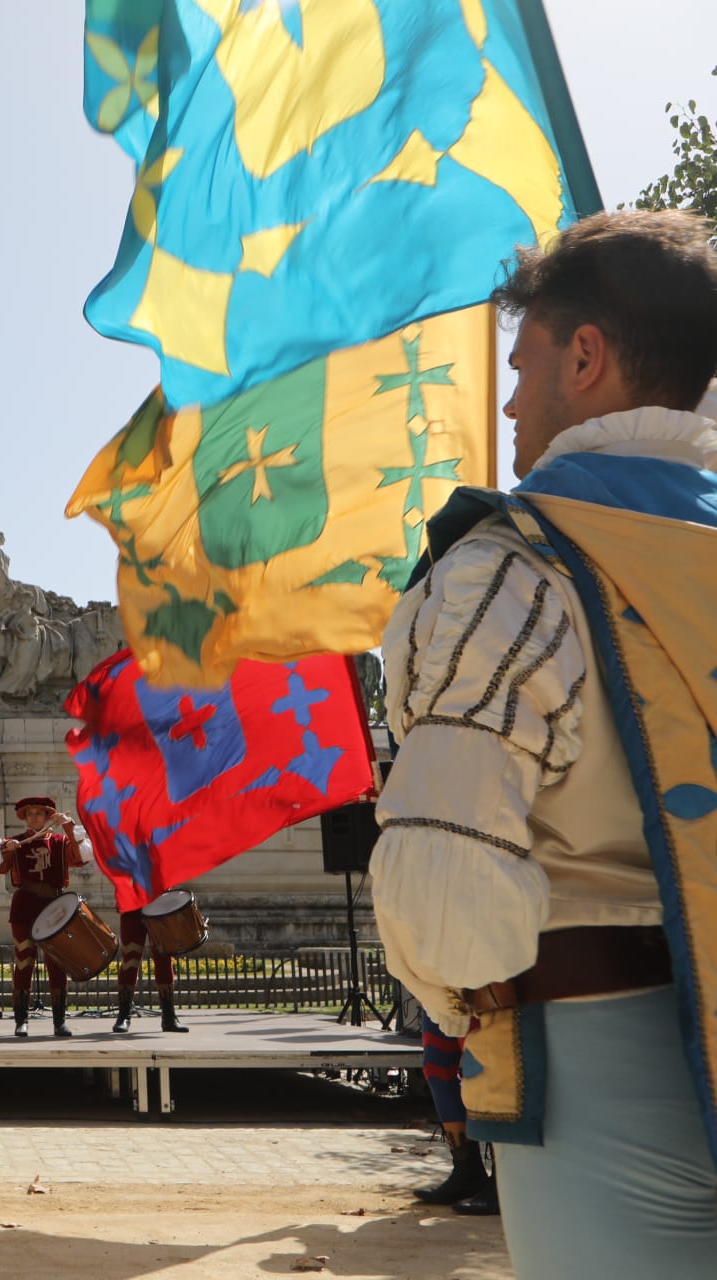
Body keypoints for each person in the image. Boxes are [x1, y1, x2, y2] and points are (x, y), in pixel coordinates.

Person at [370, 210, 717, 1275]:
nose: (512, 399)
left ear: (586, 355)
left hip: (604, 1058)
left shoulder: (509, 566)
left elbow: (446, 884)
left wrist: (454, 996)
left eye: (522, 364)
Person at [0, 796, 88, 1037]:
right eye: (29, 814)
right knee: (24, 962)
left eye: (38, 814)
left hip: (55, 907)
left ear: (47, 816)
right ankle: (21, 1021)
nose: (33, 818)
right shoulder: (16, 842)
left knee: (57, 963)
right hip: (25, 908)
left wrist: (70, 827)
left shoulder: (61, 842)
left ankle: (59, 1022)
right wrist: (3, 848)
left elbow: (83, 857)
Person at [413, 1010, 499, 1216]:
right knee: (436, 1068)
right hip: (437, 989)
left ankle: (502, 1181)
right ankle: (466, 1171)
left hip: (477, 988)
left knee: (484, 1067)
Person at [112, 899, 188, 1034]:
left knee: (163, 958)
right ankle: (123, 1016)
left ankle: (169, 1017)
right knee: (130, 960)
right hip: (132, 904)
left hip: (158, 903)